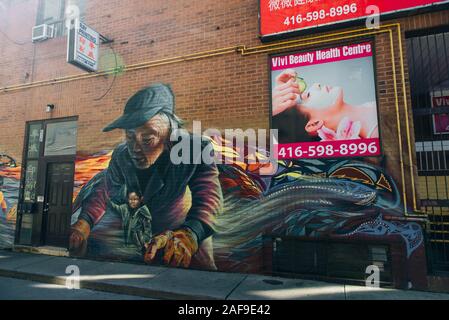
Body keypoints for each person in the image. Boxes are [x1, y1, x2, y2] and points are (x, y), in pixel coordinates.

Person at [70, 83, 223, 270]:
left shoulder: (194, 149)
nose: (135, 148)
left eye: (147, 139)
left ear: (170, 134)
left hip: (185, 241)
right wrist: (84, 223)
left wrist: (189, 234)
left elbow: (210, 198)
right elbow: (106, 189)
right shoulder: (121, 155)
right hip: (145, 245)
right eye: (130, 137)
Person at [272, 69, 379, 141]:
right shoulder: (376, 133)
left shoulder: (372, 109)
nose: (316, 84)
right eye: (308, 95)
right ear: (314, 124)